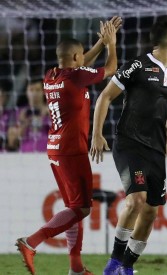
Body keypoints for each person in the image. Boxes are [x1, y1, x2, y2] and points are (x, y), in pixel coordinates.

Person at [90, 21, 167, 275]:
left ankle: (126, 267)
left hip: (156, 152)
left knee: (150, 212)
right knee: (136, 200)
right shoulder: (137, 65)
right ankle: (114, 263)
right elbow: (105, 96)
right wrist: (96, 133)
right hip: (129, 144)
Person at [15, 17, 120, 275]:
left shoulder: (51, 74)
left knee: (73, 208)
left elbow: (81, 62)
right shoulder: (76, 77)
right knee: (82, 207)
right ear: (75, 57)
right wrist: (111, 45)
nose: (82, 58)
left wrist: (99, 41)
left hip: (54, 148)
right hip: (72, 150)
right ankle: (32, 242)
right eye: (80, 55)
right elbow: (111, 68)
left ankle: (75, 268)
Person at [7, 79, 50, 152]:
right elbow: (12, 143)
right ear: (26, 92)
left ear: (43, 92)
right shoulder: (19, 112)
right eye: (31, 90)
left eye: (37, 90)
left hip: (47, 155)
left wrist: (50, 116)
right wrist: (24, 123)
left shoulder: (52, 110)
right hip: (25, 156)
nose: (34, 93)